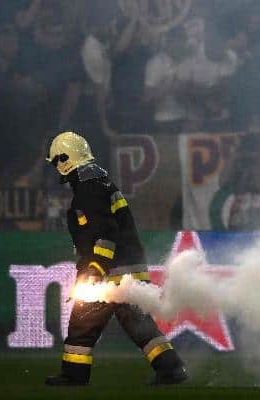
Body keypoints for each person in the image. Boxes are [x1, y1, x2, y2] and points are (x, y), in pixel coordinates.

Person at [43, 131, 188, 387]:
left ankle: (73, 376)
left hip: (111, 272)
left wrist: (95, 269)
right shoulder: (100, 182)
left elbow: (104, 233)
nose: (57, 169)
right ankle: (172, 369)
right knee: (139, 326)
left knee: (82, 324)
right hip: (127, 267)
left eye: (56, 162)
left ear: (65, 160)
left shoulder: (88, 189)